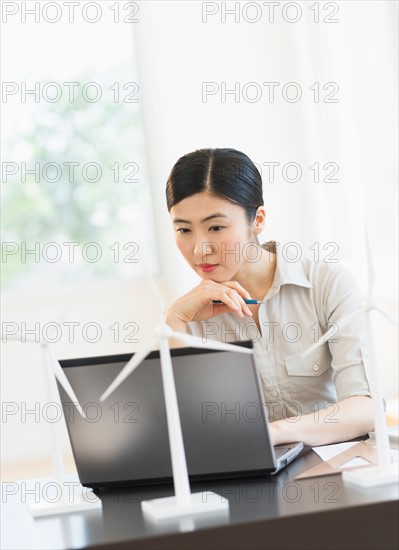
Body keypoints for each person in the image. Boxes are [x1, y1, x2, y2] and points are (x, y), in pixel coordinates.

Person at [164, 147, 374, 447]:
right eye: (184, 229)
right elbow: (191, 437)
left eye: (216, 227)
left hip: (334, 469)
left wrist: (272, 433)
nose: (200, 249)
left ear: (258, 220)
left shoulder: (327, 284)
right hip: (246, 482)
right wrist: (174, 323)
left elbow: (364, 408)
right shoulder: (189, 316)